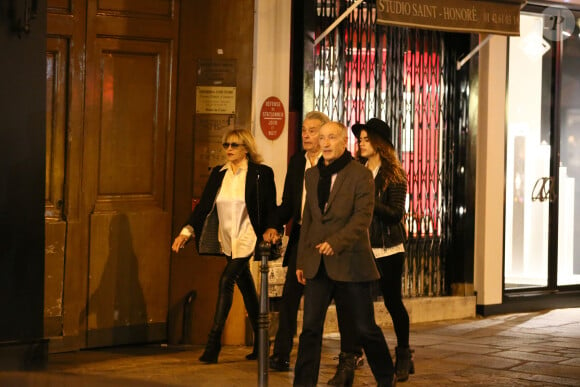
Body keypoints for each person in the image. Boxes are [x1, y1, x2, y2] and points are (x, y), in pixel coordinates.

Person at [293, 121, 397, 387]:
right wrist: (302, 260)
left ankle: (387, 378)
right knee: (310, 329)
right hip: (317, 263)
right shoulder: (312, 176)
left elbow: (362, 218)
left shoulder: (360, 175)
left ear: (343, 143)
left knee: (364, 328)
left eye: (331, 138)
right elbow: (309, 220)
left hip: (351, 263)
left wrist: (336, 242)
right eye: (322, 138)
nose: (325, 143)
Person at [172, 129, 277, 364]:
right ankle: (262, 343)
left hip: (249, 236)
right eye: (226, 145)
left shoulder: (261, 174)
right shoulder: (219, 174)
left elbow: (270, 207)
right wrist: (186, 232)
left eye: (235, 145)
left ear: (246, 148)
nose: (229, 149)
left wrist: (272, 229)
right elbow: (203, 207)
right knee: (247, 288)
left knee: (225, 280)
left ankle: (213, 344)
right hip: (227, 239)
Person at [330, 118, 413, 383]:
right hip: (362, 248)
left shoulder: (393, 174)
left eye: (366, 139)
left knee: (392, 301)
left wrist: (368, 200)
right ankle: (351, 356)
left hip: (388, 249)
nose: (361, 143)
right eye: (360, 140)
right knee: (357, 305)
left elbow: (395, 214)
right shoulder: (356, 169)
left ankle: (402, 353)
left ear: (379, 143)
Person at [262, 111, 329, 372]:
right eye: (303, 130)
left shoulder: (330, 164)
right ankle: (281, 354)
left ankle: (350, 351)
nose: (306, 134)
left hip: (324, 238)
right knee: (290, 297)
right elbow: (289, 204)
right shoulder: (297, 161)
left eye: (312, 130)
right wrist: (272, 224)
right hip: (301, 235)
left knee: (322, 300)